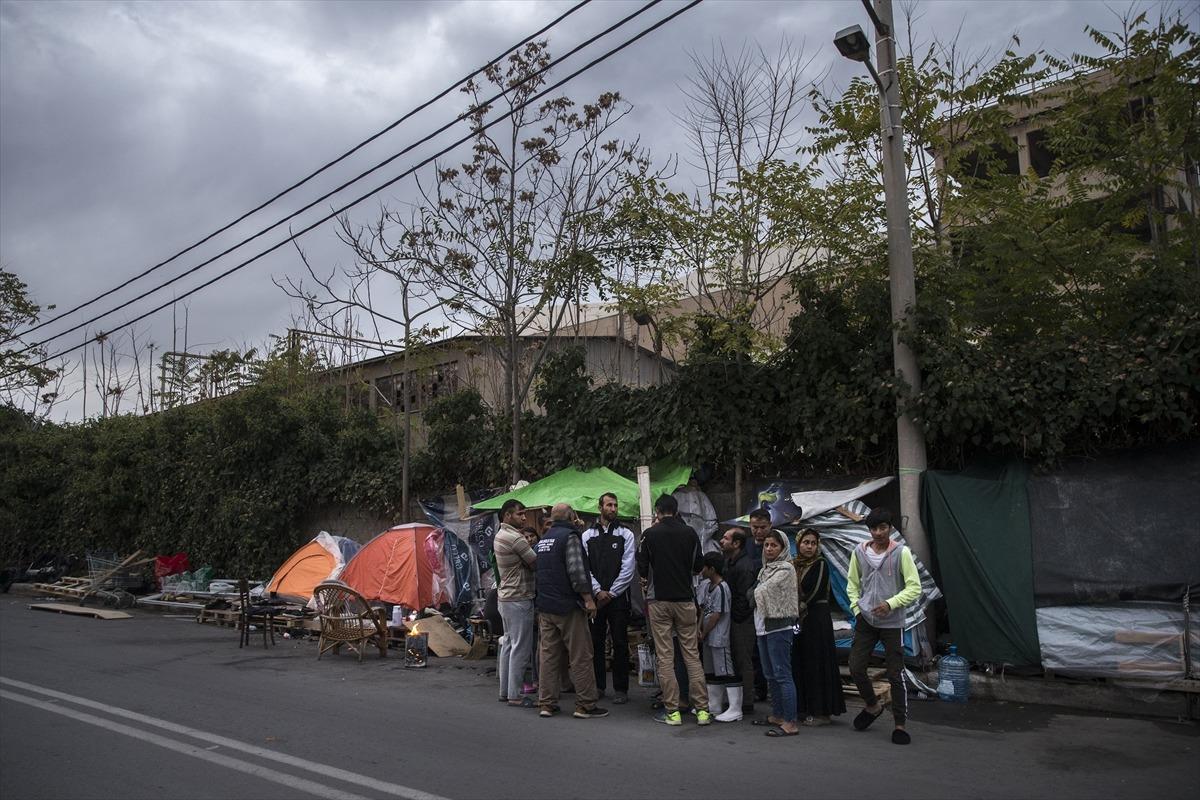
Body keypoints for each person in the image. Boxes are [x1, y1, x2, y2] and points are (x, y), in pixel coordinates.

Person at [847, 507, 922, 745]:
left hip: (892, 622)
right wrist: (857, 609)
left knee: (894, 673)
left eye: (882, 528)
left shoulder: (902, 553)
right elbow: (852, 583)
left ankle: (899, 725)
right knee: (856, 667)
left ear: (890, 528)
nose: (878, 532)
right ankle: (872, 705)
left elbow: (914, 587)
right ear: (868, 530)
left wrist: (891, 604)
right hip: (866, 620)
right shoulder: (859, 552)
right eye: (873, 528)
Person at [637, 493, 711, 726]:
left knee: (665, 658)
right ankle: (702, 711)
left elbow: (641, 568)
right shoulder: (690, 533)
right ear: (676, 511)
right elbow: (698, 566)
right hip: (686, 600)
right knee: (691, 656)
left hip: (659, 601)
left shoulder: (649, 535)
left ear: (657, 511)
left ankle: (673, 711)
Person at [534, 502, 608, 719]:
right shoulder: (570, 537)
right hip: (567, 606)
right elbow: (576, 570)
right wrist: (588, 599)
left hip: (546, 606)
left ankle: (546, 703)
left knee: (548, 656)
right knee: (581, 655)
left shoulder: (545, 539)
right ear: (571, 517)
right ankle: (585, 704)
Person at [582, 492, 636, 705]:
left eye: (615, 505)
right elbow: (585, 568)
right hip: (596, 599)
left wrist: (612, 592)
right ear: (600, 507)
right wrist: (596, 591)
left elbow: (628, 567)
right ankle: (598, 686)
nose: (613, 509)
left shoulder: (626, 534)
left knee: (620, 643)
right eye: (609, 505)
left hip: (619, 599)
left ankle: (621, 689)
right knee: (595, 643)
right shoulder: (587, 535)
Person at [790, 528, 846, 726]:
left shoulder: (820, 563)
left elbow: (814, 591)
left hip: (816, 619)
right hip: (799, 619)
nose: (809, 547)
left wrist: (797, 606)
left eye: (813, 543)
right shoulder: (794, 564)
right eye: (806, 542)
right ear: (798, 544)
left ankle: (822, 713)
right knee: (802, 662)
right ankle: (804, 707)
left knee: (817, 663)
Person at [752, 529, 799, 737]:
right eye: (767, 545)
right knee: (770, 674)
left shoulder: (786, 569)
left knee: (782, 675)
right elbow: (757, 591)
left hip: (779, 627)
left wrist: (753, 592)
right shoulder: (765, 570)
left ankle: (790, 722)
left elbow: (760, 591)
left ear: (783, 548)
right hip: (762, 627)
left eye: (774, 545)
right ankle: (778, 715)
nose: (769, 549)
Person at [493, 499, 537, 707]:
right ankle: (515, 695)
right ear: (508, 516)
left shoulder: (500, 535)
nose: (524, 518)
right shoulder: (515, 538)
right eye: (520, 514)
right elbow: (535, 562)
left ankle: (506, 692)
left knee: (510, 644)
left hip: (506, 597)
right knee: (520, 647)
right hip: (519, 597)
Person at [697, 552, 742, 722]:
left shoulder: (722, 588)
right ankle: (714, 705)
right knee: (712, 672)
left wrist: (705, 631)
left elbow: (716, 615)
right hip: (708, 637)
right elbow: (703, 609)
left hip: (719, 637)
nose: (701, 571)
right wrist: (698, 628)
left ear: (712, 569)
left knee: (726, 671)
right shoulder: (707, 586)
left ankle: (735, 708)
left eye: (704, 567)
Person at [719, 527, 758, 715]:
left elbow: (744, 597)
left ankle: (747, 702)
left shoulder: (744, 566)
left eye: (726, 538)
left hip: (741, 620)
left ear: (736, 544)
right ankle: (737, 700)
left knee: (743, 660)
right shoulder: (730, 562)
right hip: (733, 618)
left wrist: (735, 618)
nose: (721, 541)